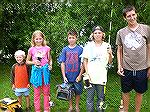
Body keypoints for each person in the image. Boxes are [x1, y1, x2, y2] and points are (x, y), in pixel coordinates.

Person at [116, 5, 150, 112]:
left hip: (142, 68)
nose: (132, 18)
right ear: (124, 18)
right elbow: (119, 50)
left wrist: (149, 66)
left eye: (133, 15)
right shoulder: (121, 32)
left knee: (139, 92)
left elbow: (149, 47)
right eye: (129, 16)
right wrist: (119, 65)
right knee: (125, 91)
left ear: (136, 14)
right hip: (126, 68)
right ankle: (125, 110)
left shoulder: (146, 29)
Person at [82, 25, 113, 112]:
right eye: (95, 33)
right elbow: (85, 60)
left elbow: (110, 62)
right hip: (90, 78)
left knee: (101, 99)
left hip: (101, 77)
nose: (97, 34)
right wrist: (87, 73)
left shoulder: (107, 45)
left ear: (103, 34)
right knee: (89, 99)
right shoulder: (88, 45)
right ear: (93, 35)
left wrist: (110, 54)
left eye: (99, 33)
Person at [58, 29, 84, 112]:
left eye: (73, 37)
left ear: (76, 38)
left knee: (78, 92)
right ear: (67, 38)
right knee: (68, 92)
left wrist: (80, 75)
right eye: (70, 37)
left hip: (77, 76)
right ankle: (70, 107)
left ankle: (77, 106)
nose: (71, 39)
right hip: (68, 76)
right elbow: (62, 63)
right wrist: (64, 76)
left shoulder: (80, 49)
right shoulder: (65, 49)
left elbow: (83, 63)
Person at [26, 30, 52, 112]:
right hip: (36, 73)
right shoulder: (31, 49)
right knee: (37, 94)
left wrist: (50, 65)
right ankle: (37, 110)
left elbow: (50, 59)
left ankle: (46, 109)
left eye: (40, 38)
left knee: (46, 93)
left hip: (45, 73)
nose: (38, 40)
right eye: (36, 39)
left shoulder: (47, 48)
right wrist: (34, 62)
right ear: (33, 40)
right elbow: (27, 61)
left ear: (43, 39)